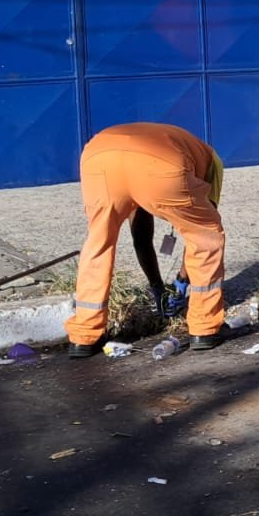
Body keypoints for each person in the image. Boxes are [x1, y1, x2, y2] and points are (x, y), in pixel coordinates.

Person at [63, 122, 228, 358]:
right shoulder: (213, 163)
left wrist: (156, 286)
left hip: (98, 158)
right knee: (207, 237)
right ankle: (204, 328)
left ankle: (84, 335)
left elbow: (140, 235)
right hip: (162, 162)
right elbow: (200, 236)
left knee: (99, 242)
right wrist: (181, 283)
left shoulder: (173, 140)